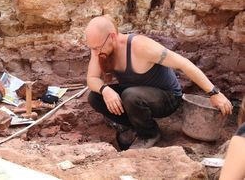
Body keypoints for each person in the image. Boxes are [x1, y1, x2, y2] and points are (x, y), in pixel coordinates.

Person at [85, 15, 233, 149]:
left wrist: (214, 92)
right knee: (95, 97)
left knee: (131, 95)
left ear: (112, 37)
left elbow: (184, 64)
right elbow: (92, 79)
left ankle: (148, 134)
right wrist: (106, 90)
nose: (96, 52)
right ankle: (132, 126)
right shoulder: (99, 48)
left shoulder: (141, 47)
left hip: (166, 98)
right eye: (93, 48)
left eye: (98, 48)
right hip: (134, 96)